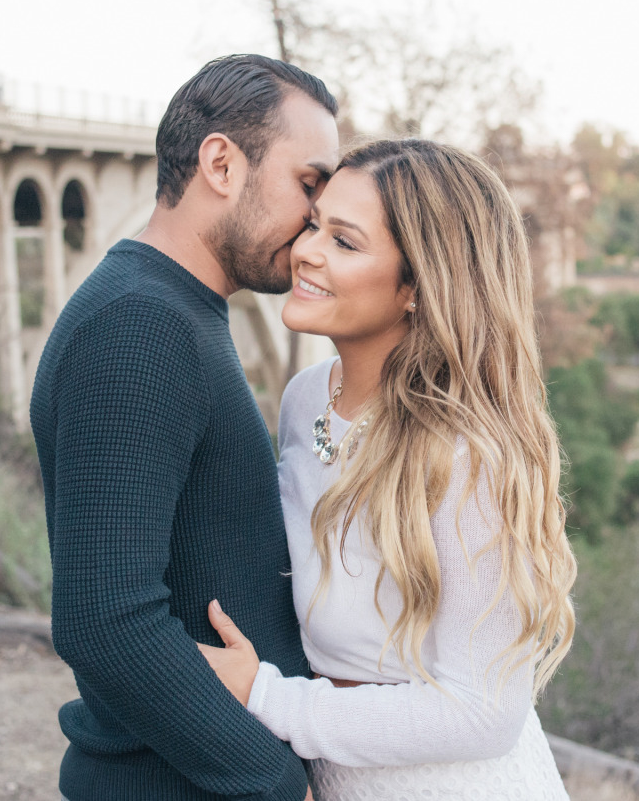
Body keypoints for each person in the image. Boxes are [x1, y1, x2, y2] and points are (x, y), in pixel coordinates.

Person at [198, 139, 578, 800]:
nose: (307, 250)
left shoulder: (464, 455)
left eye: (345, 242)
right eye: (314, 224)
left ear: (416, 286)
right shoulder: (305, 400)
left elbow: (483, 712)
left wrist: (268, 697)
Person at [30, 54, 340, 801]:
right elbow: (104, 620)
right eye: (308, 185)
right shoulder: (140, 326)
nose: (314, 224)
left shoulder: (177, 311)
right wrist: (270, 781)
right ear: (222, 164)